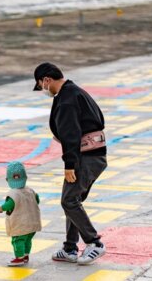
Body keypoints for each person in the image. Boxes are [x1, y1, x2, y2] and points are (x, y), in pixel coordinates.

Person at [33, 62, 108, 265]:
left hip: (86, 158)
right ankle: (69, 248)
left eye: (41, 85)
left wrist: (70, 166)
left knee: (69, 201)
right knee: (73, 200)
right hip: (95, 155)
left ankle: (94, 243)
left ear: (47, 80)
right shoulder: (74, 91)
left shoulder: (67, 100)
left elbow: (71, 135)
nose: (42, 90)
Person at [0, 161, 41, 267]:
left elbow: (8, 205)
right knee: (27, 240)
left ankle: (19, 258)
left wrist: (1, 208)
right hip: (32, 223)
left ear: (7, 180)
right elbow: (37, 200)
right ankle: (26, 256)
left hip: (20, 225)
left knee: (18, 241)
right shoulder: (31, 191)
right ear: (25, 177)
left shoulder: (13, 194)